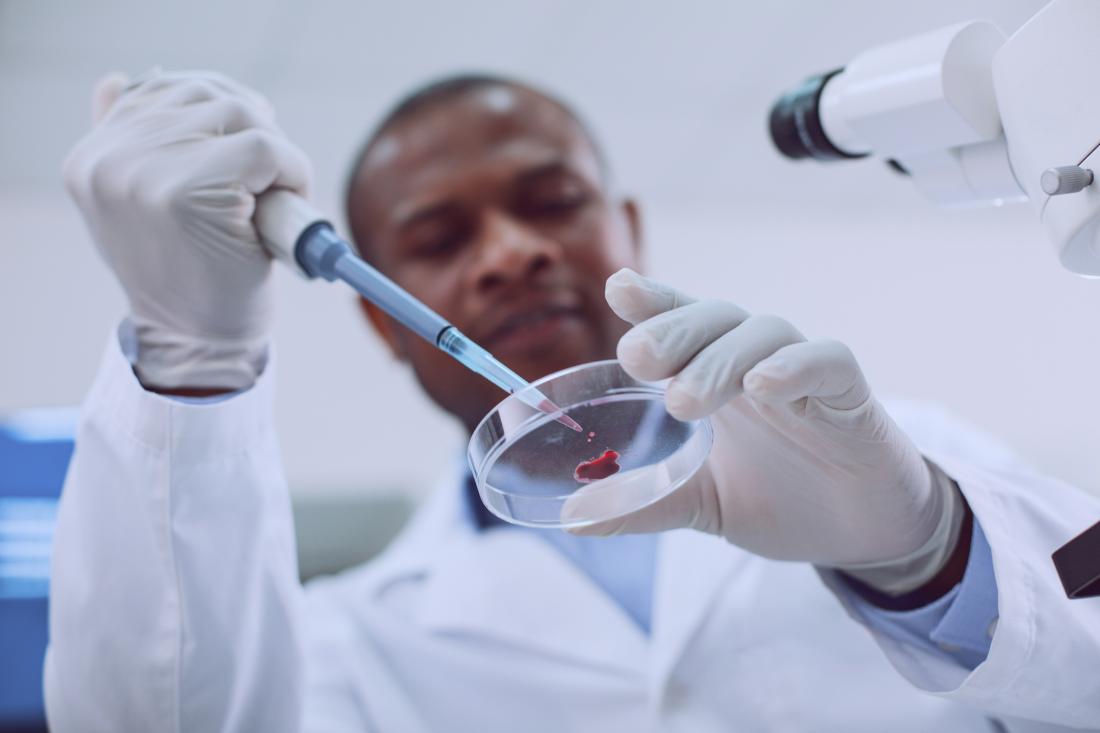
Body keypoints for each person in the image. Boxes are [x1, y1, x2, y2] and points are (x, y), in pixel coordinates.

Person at [46, 69, 1100, 732]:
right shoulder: (352, 641)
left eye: (551, 203)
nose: (511, 253)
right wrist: (193, 364)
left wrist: (925, 556)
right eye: (438, 240)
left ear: (627, 231)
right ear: (377, 315)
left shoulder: (888, 454)